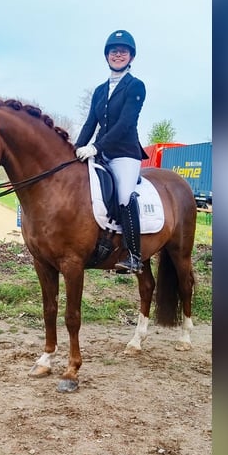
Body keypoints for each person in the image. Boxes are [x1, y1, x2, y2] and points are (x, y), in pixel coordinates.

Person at [75, 30, 149, 273]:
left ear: (131, 57)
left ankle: (134, 256)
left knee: (125, 196)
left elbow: (125, 124)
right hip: (101, 153)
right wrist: (75, 149)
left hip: (125, 154)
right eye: (114, 51)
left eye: (123, 52)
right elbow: (89, 124)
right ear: (107, 56)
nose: (118, 55)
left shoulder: (135, 86)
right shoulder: (99, 90)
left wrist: (96, 146)